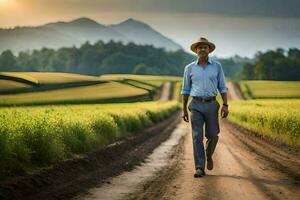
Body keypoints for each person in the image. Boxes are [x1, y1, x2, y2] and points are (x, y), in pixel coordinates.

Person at [181, 37, 229, 178]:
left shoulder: (217, 66)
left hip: (212, 104)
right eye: (199, 47)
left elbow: (222, 86)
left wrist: (225, 105)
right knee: (197, 136)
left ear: (209, 50)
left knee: (213, 135)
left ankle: (208, 154)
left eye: (205, 47)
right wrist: (184, 109)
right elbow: (185, 90)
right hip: (195, 104)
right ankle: (200, 167)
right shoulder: (189, 68)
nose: (202, 49)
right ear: (196, 51)